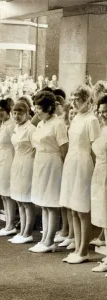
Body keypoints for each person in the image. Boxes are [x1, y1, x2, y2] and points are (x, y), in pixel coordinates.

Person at [60, 85, 101, 264]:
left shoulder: (92, 120)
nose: (75, 102)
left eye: (78, 99)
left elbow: (95, 149)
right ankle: (77, 248)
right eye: (73, 98)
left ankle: (84, 251)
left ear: (88, 101)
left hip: (84, 164)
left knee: (82, 209)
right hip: (71, 161)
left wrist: (95, 171)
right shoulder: (76, 117)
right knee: (73, 208)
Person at [29, 91, 69, 253]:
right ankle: (45, 239)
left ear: (49, 108)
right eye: (36, 108)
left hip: (53, 164)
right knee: (44, 204)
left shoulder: (58, 124)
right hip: (41, 162)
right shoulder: (41, 124)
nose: (37, 111)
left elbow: (64, 150)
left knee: (51, 204)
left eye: (39, 108)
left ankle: (49, 241)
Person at [9, 102, 36, 244]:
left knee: (27, 201)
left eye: (20, 113)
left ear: (27, 114)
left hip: (27, 163)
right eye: (15, 113)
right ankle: (22, 231)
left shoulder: (31, 129)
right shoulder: (16, 128)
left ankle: (27, 233)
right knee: (19, 200)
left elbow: (36, 148)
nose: (17, 116)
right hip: (17, 163)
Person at [0, 99, 16, 237]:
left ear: (8, 111)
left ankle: (11, 224)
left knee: (8, 193)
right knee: (3, 193)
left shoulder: (12, 125)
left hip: (9, 159)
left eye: (1, 110)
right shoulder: (1, 125)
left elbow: (14, 145)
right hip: (1, 159)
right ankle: (8, 223)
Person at [90, 95, 107, 273]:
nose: (103, 115)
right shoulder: (103, 129)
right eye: (101, 112)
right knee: (104, 215)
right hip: (100, 173)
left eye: (106, 112)